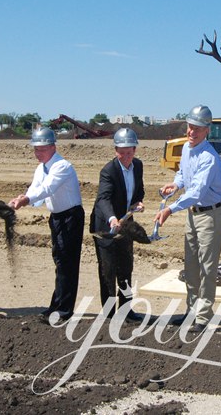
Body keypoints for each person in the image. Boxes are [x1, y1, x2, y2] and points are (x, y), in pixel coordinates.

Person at [154, 105, 221, 332]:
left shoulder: (209, 158)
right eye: (190, 127)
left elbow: (197, 192)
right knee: (191, 265)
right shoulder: (187, 149)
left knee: (207, 266)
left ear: (207, 131)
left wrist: (169, 209)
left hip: (209, 215)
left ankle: (203, 317)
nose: (191, 132)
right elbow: (184, 174)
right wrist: (175, 184)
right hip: (193, 215)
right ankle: (191, 310)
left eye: (197, 129)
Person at [9, 127, 84, 322]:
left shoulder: (62, 166)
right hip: (57, 217)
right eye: (35, 149)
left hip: (71, 217)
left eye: (41, 149)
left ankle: (64, 310)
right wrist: (23, 198)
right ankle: (55, 306)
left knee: (67, 263)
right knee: (59, 261)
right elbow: (35, 188)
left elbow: (47, 188)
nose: (37, 153)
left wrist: (25, 200)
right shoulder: (40, 167)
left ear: (53, 147)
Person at [90, 128, 145, 322]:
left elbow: (139, 191)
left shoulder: (138, 166)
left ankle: (126, 310)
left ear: (134, 150)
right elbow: (102, 199)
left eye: (129, 152)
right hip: (106, 226)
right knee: (108, 269)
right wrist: (112, 218)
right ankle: (109, 313)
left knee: (126, 267)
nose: (126, 156)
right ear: (115, 151)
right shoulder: (108, 171)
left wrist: (138, 203)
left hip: (126, 225)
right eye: (122, 152)